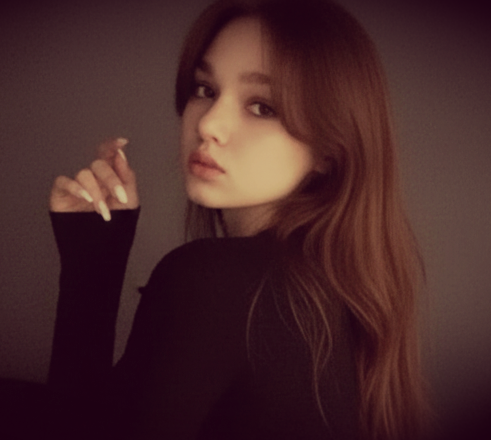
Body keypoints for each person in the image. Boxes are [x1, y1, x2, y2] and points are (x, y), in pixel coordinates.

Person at [47, 0, 429, 439]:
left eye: (262, 106)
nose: (208, 123)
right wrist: (95, 251)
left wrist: (90, 275)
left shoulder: (211, 283)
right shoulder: (340, 291)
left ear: (328, 150)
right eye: (205, 89)